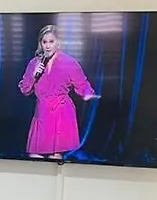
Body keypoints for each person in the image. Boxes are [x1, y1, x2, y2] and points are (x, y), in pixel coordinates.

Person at [18, 25, 99, 159]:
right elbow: (25, 90)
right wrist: (33, 75)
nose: (48, 46)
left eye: (51, 41)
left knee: (55, 157)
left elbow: (82, 84)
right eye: (44, 42)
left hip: (62, 113)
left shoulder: (69, 62)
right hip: (42, 112)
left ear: (58, 43)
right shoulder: (34, 63)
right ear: (40, 43)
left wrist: (88, 93)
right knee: (34, 156)